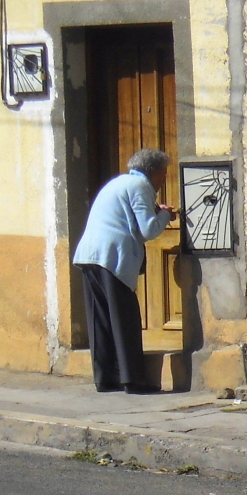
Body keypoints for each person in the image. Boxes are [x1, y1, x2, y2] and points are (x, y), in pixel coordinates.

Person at [73, 149, 177, 394]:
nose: (164, 180)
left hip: (90, 254)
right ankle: (132, 379)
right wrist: (164, 215)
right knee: (124, 318)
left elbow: (130, 218)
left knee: (101, 318)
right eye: (163, 174)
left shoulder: (120, 182)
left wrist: (155, 211)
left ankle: (105, 377)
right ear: (152, 171)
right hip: (112, 257)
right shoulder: (140, 186)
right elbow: (149, 230)